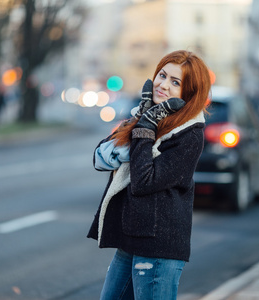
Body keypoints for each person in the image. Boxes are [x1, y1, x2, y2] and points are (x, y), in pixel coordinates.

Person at [87, 50, 211, 300]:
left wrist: (146, 126)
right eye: (162, 75)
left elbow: (144, 181)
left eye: (175, 82)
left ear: (188, 93)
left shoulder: (189, 135)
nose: (163, 85)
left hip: (158, 245)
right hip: (131, 237)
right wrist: (142, 119)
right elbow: (100, 157)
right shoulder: (144, 116)